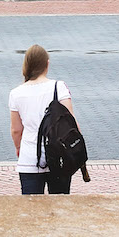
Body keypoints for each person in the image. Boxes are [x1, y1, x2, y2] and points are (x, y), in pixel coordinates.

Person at [9, 45, 78, 195]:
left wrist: (19, 148)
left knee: (31, 209)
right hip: (59, 157)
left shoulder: (16, 93)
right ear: (47, 64)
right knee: (60, 208)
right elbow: (72, 123)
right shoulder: (59, 87)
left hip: (29, 158)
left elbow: (16, 130)